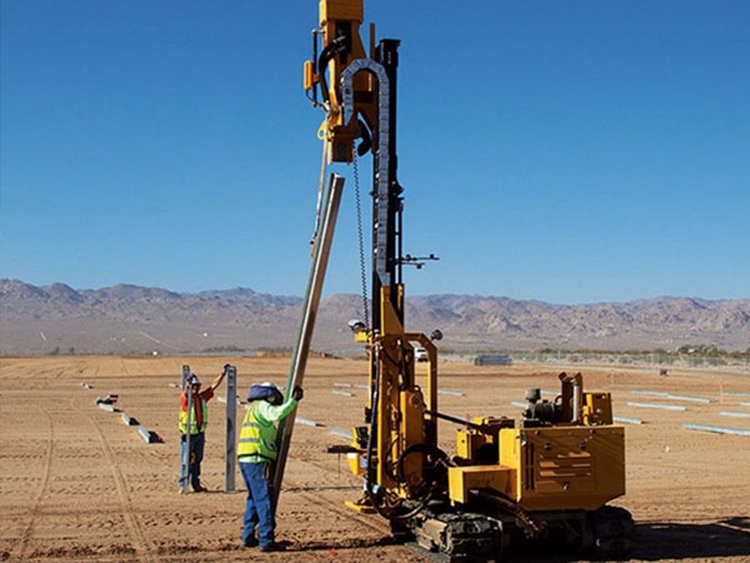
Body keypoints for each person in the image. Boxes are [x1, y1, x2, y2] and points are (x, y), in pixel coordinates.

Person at [238, 381, 303, 551]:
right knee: (264, 499)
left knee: (253, 498)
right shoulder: (262, 406)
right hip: (258, 458)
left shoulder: (252, 409)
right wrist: (293, 402)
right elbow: (276, 414)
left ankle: (248, 535)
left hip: (246, 458)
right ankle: (266, 540)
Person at [178, 365, 227, 492]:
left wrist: (222, 374)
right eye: (192, 386)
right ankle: (183, 485)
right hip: (188, 435)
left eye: (196, 386)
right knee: (186, 461)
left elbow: (212, 387)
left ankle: (196, 484)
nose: (195, 388)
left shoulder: (201, 398)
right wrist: (187, 384)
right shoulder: (186, 399)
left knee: (197, 460)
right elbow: (184, 394)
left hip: (199, 434)